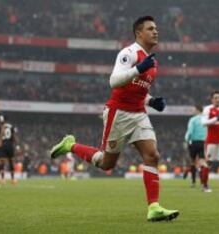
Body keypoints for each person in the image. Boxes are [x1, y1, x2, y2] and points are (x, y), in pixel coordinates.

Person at [50, 15, 179, 222]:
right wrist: (138, 68)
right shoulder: (129, 53)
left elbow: (135, 90)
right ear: (139, 33)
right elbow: (114, 81)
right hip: (118, 114)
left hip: (138, 114)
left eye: (156, 28)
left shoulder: (152, 62)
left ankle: (153, 207)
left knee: (153, 155)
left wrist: (151, 101)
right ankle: (71, 146)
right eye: (150, 28)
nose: (156, 31)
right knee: (106, 163)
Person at [184, 104, 207, 188]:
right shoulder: (205, 120)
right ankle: (202, 183)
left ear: (197, 110)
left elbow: (190, 132)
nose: (193, 111)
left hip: (194, 143)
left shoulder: (193, 120)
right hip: (203, 143)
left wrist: (186, 140)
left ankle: (193, 182)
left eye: (194, 110)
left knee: (193, 162)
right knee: (202, 163)